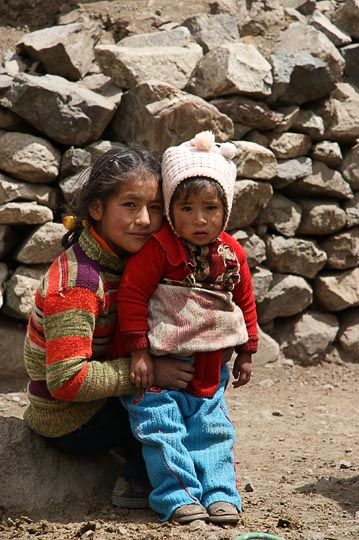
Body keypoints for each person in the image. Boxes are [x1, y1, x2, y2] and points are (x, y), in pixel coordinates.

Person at [22, 145, 195, 509]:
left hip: (98, 399)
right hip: (68, 419)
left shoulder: (127, 262)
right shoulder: (79, 284)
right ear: (97, 209)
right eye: (130, 205)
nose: (145, 220)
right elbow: (67, 381)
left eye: (154, 208)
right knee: (166, 401)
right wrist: (149, 372)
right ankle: (138, 480)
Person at [110, 131, 258, 524]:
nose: (199, 220)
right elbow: (132, 297)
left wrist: (246, 350)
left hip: (210, 368)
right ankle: (178, 497)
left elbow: (244, 301)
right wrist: (139, 351)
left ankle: (222, 495)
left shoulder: (231, 253)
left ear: (224, 210)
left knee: (212, 431)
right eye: (187, 208)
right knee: (162, 430)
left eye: (210, 209)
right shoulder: (158, 249)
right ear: (170, 208)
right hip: (160, 366)